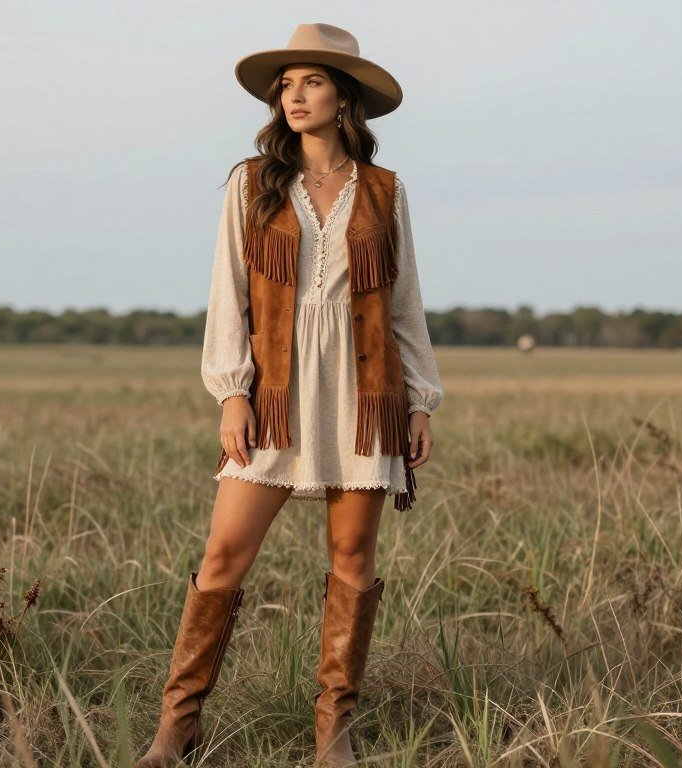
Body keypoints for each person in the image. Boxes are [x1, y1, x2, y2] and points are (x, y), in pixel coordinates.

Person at [135, 23, 443, 768]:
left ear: (345, 98)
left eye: (311, 81)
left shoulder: (384, 190)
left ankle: (333, 731)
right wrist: (230, 392)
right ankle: (177, 728)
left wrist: (421, 400)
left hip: (365, 393)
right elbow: (226, 294)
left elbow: (405, 305)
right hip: (273, 391)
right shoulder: (253, 181)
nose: (294, 95)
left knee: (352, 558)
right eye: (287, 83)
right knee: (222, 558)